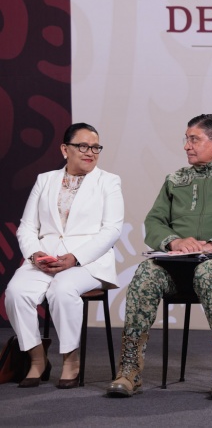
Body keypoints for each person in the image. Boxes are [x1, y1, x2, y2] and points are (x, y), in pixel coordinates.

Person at [106, 114, 212, 400]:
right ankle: (129, 371)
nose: (186, 146)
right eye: (186, 139)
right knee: (146, 273)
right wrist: (175, 241)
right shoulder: (176, 179)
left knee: (209, 273)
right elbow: (154, 221)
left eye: (193, 139)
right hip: (180, 267)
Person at [6, 123, 124, 389]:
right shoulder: (45, 179)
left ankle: (71, 360)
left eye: (95, 147)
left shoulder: (108, 181)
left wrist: (75, 257)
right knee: (16, 292)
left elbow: (112, 230)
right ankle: (37, 358)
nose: (90, 152)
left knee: (62, 290)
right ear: (64, 149)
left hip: (88, 261)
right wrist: (34, 254)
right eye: (82, 146)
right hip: (46, 259)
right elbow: (27, 226)